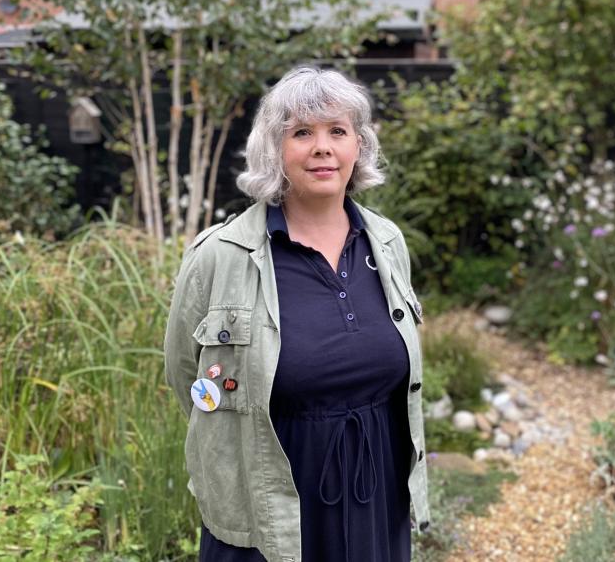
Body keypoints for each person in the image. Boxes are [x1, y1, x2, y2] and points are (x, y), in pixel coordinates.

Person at [164, 66, 430, 562]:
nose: (322, 147)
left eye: (338, 131)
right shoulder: (221, 256)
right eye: (302, 133)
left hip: (377, 493)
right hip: (268, 497)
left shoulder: (388, 243)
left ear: (359, 146)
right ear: (274, 150)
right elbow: (188, 378)